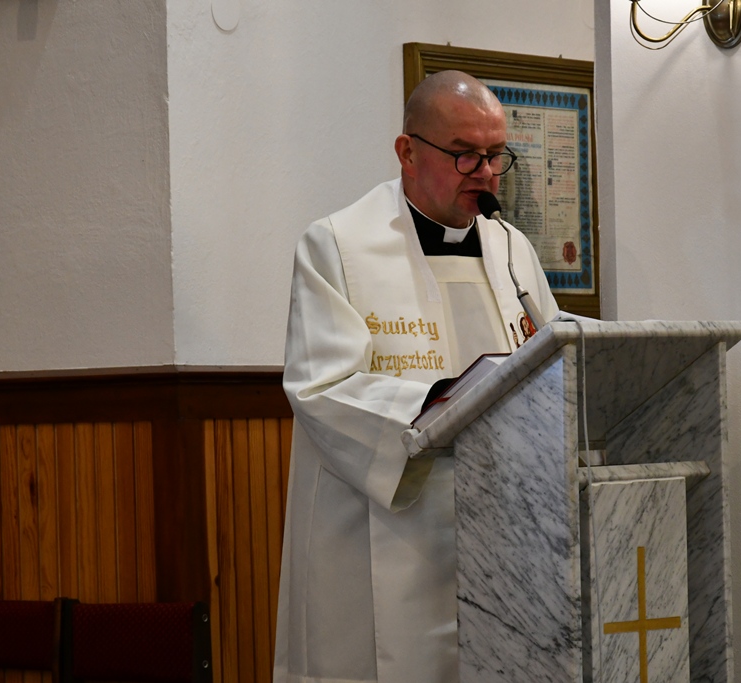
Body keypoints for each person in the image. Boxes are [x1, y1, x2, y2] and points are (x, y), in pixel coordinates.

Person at [274, 70, 559, 683]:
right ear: (407, 152)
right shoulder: (337, 246)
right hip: (382, 530)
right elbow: (320, 388)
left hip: (501, 534)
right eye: (464, 155)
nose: (485, 173)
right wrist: (440, 404)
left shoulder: (513, 251)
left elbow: (551, 367)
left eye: (496, 155)